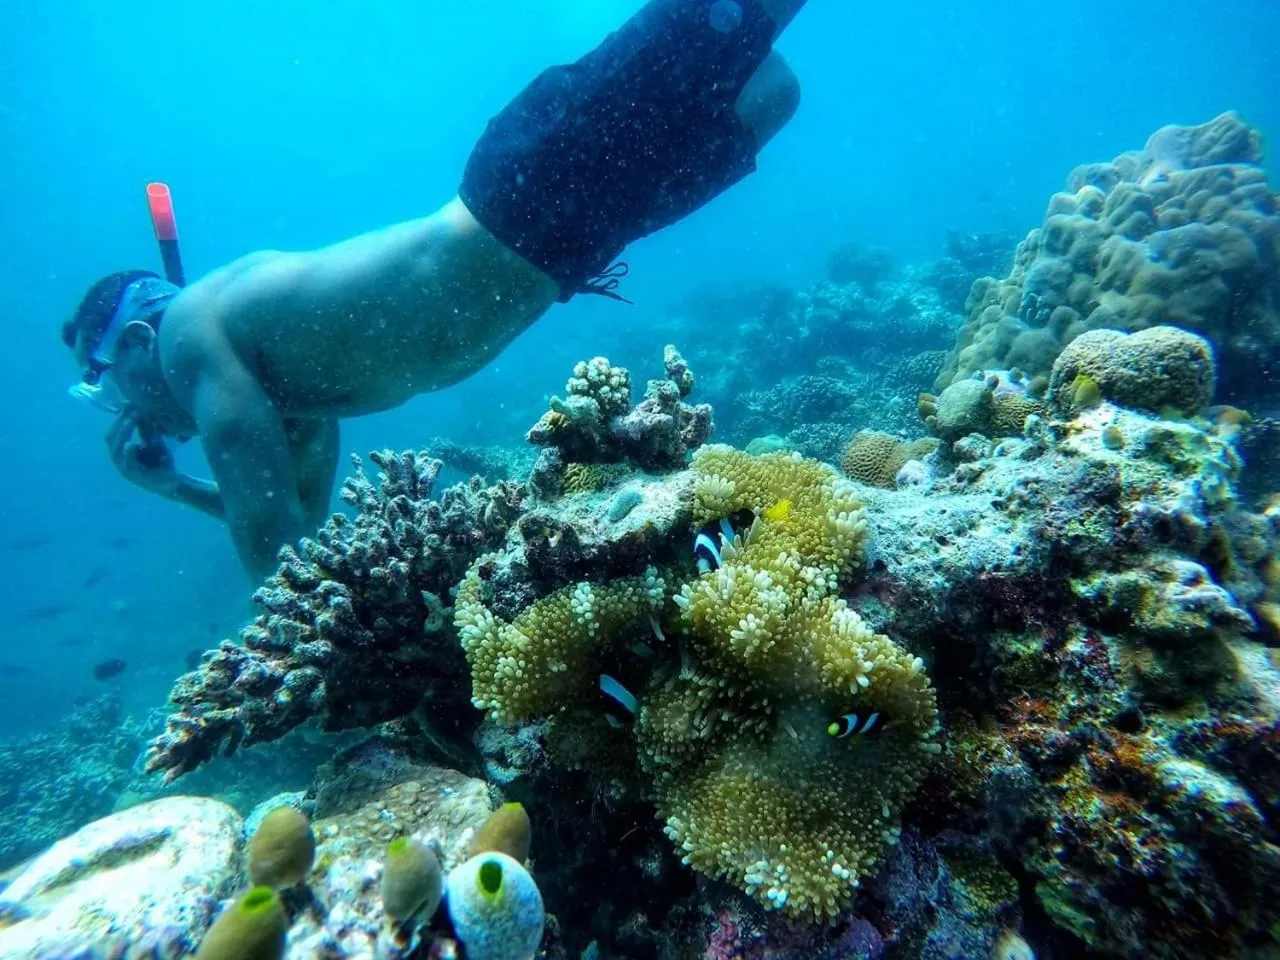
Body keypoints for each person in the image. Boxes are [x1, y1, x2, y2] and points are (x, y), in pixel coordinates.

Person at [61, 0, 808, 581]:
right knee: (772, 93)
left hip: (536, 186)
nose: (134, 414)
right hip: (572, 239)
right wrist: (175, 489)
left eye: (108, 388)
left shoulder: (194, 332)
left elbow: (272, 557)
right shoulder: (270, 381)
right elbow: (298, 539)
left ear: (133, 344)